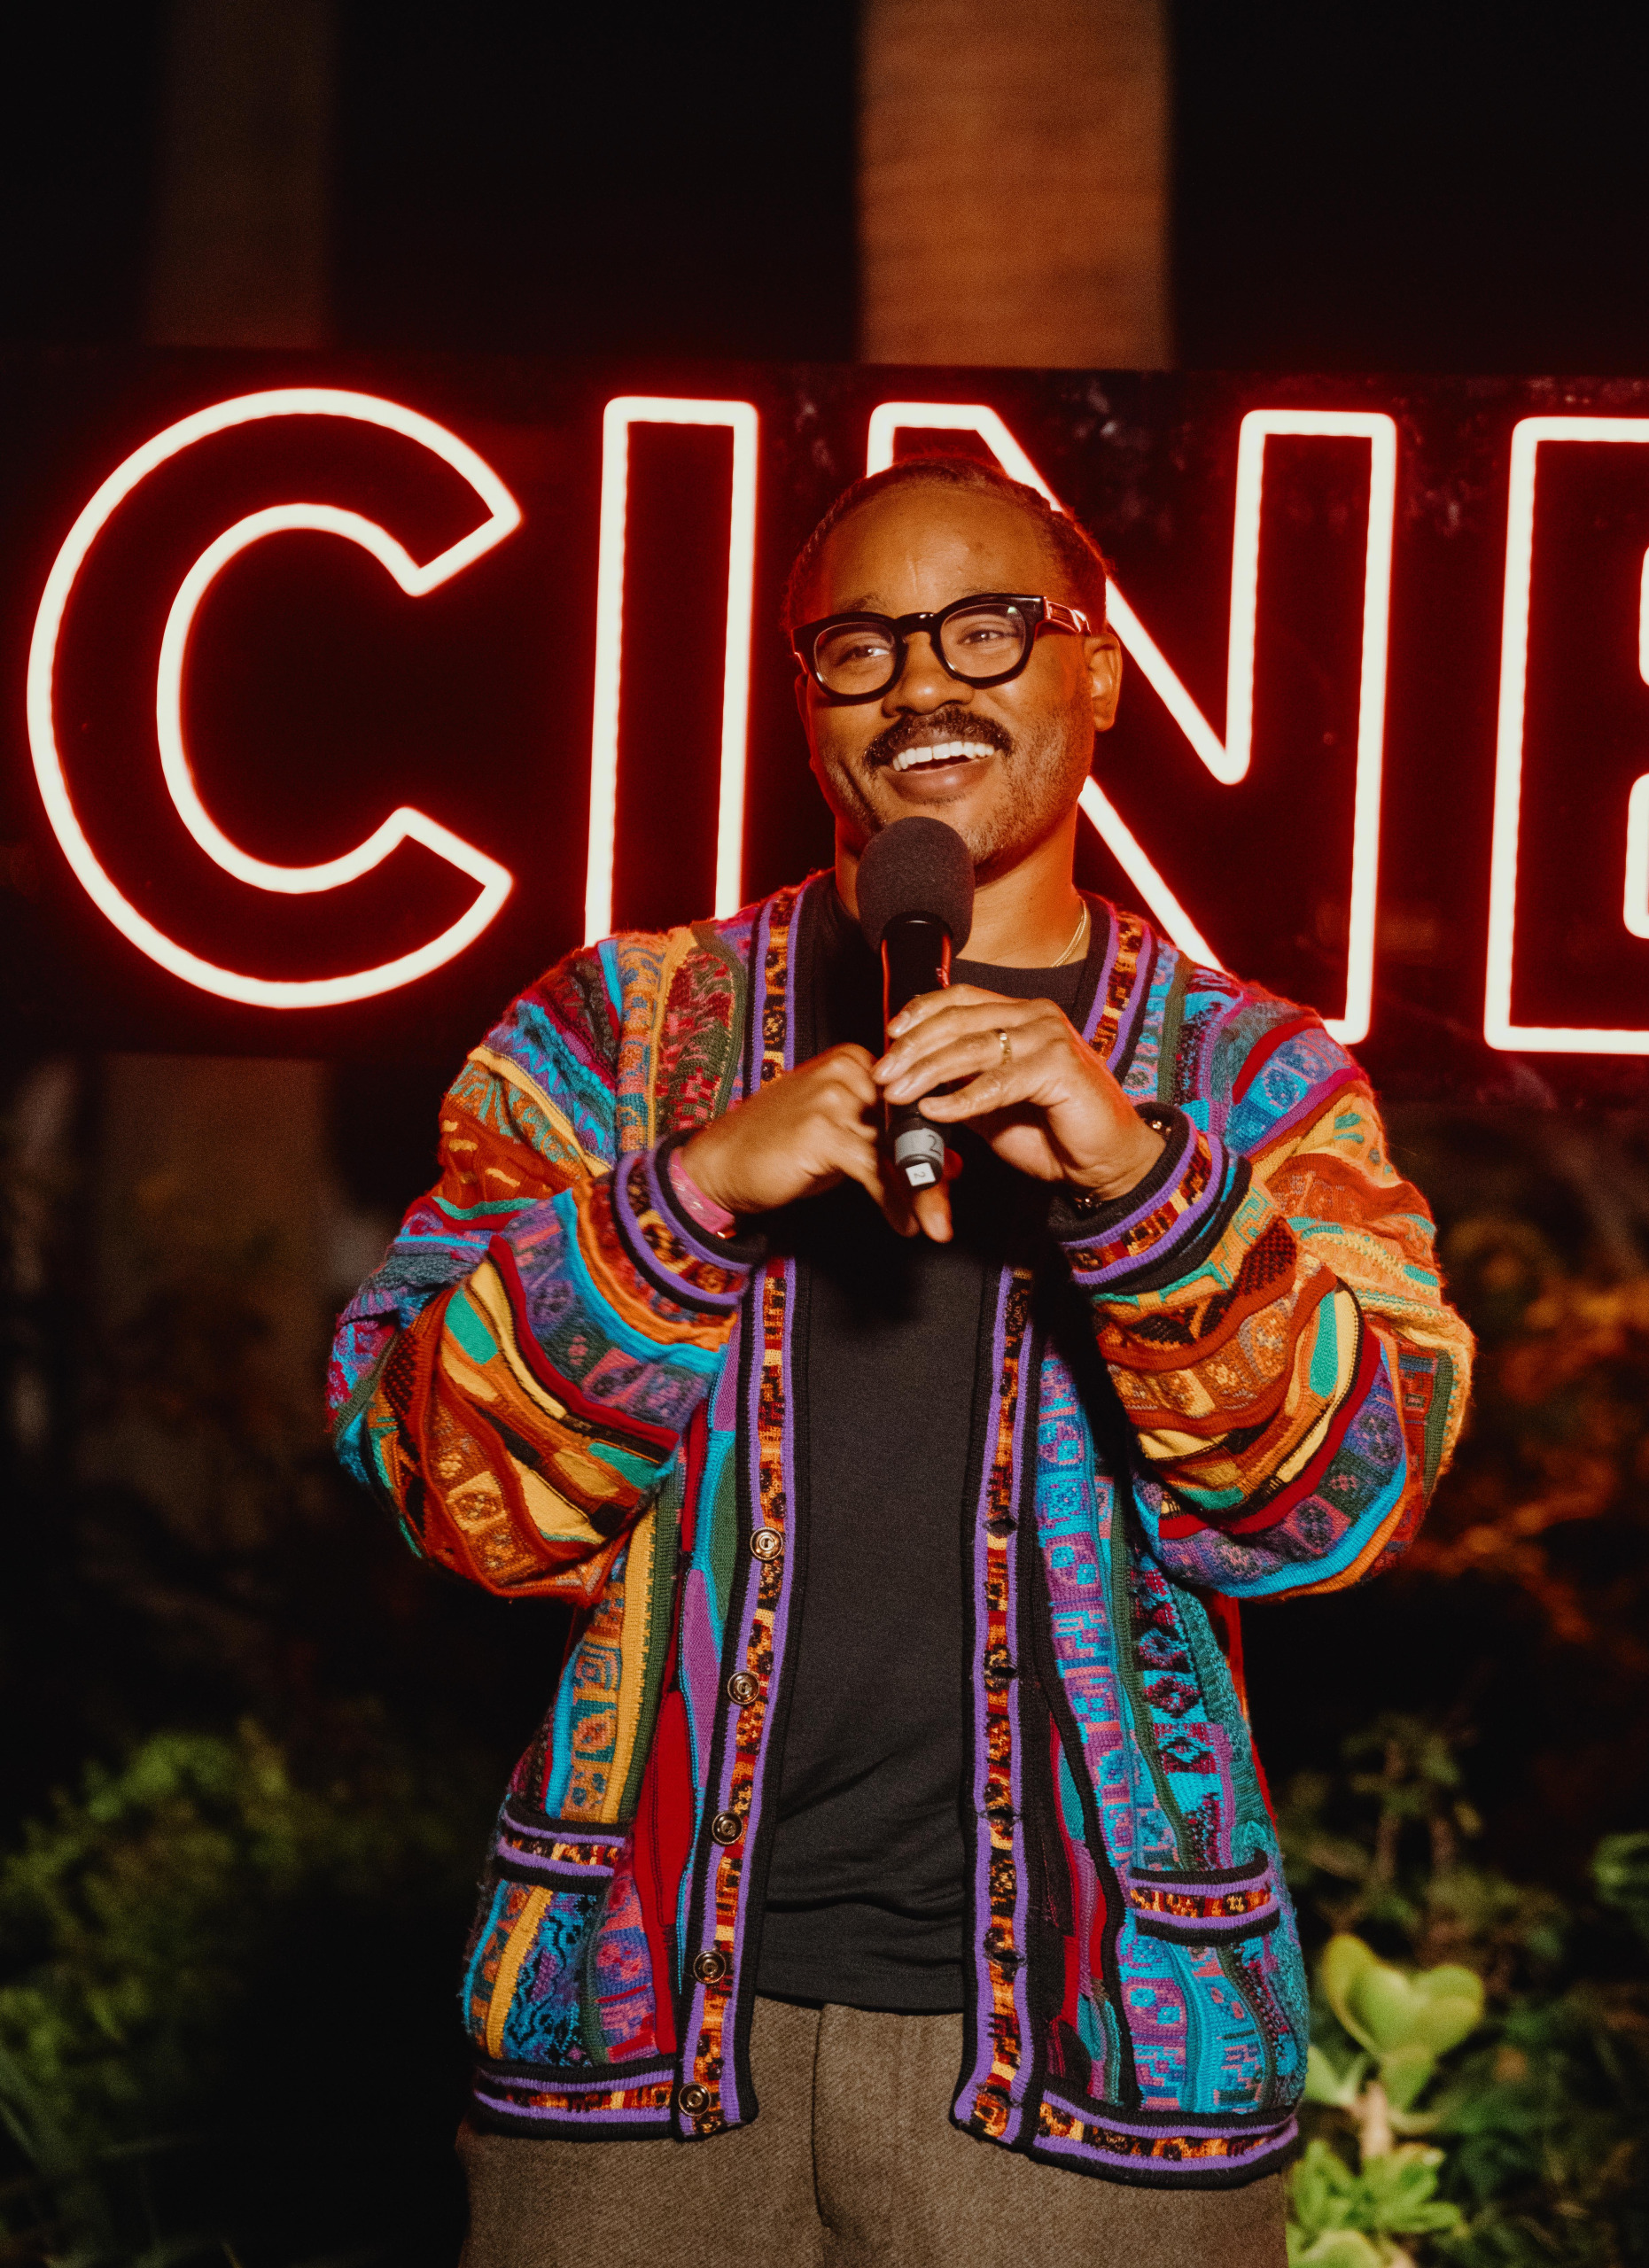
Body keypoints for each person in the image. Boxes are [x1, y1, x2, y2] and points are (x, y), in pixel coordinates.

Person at [328, 457, 1474, 2268]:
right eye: (856, 644)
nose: (921, 681)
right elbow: (437, 1475)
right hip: (630, 2072)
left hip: (1097, 2082)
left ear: (1097, 673)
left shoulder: (1252, 1081)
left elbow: (1339, 1502)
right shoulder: (616, 1035)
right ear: (801, 702)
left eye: (985, 627)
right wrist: (687, 1195)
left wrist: (1137, 1181)